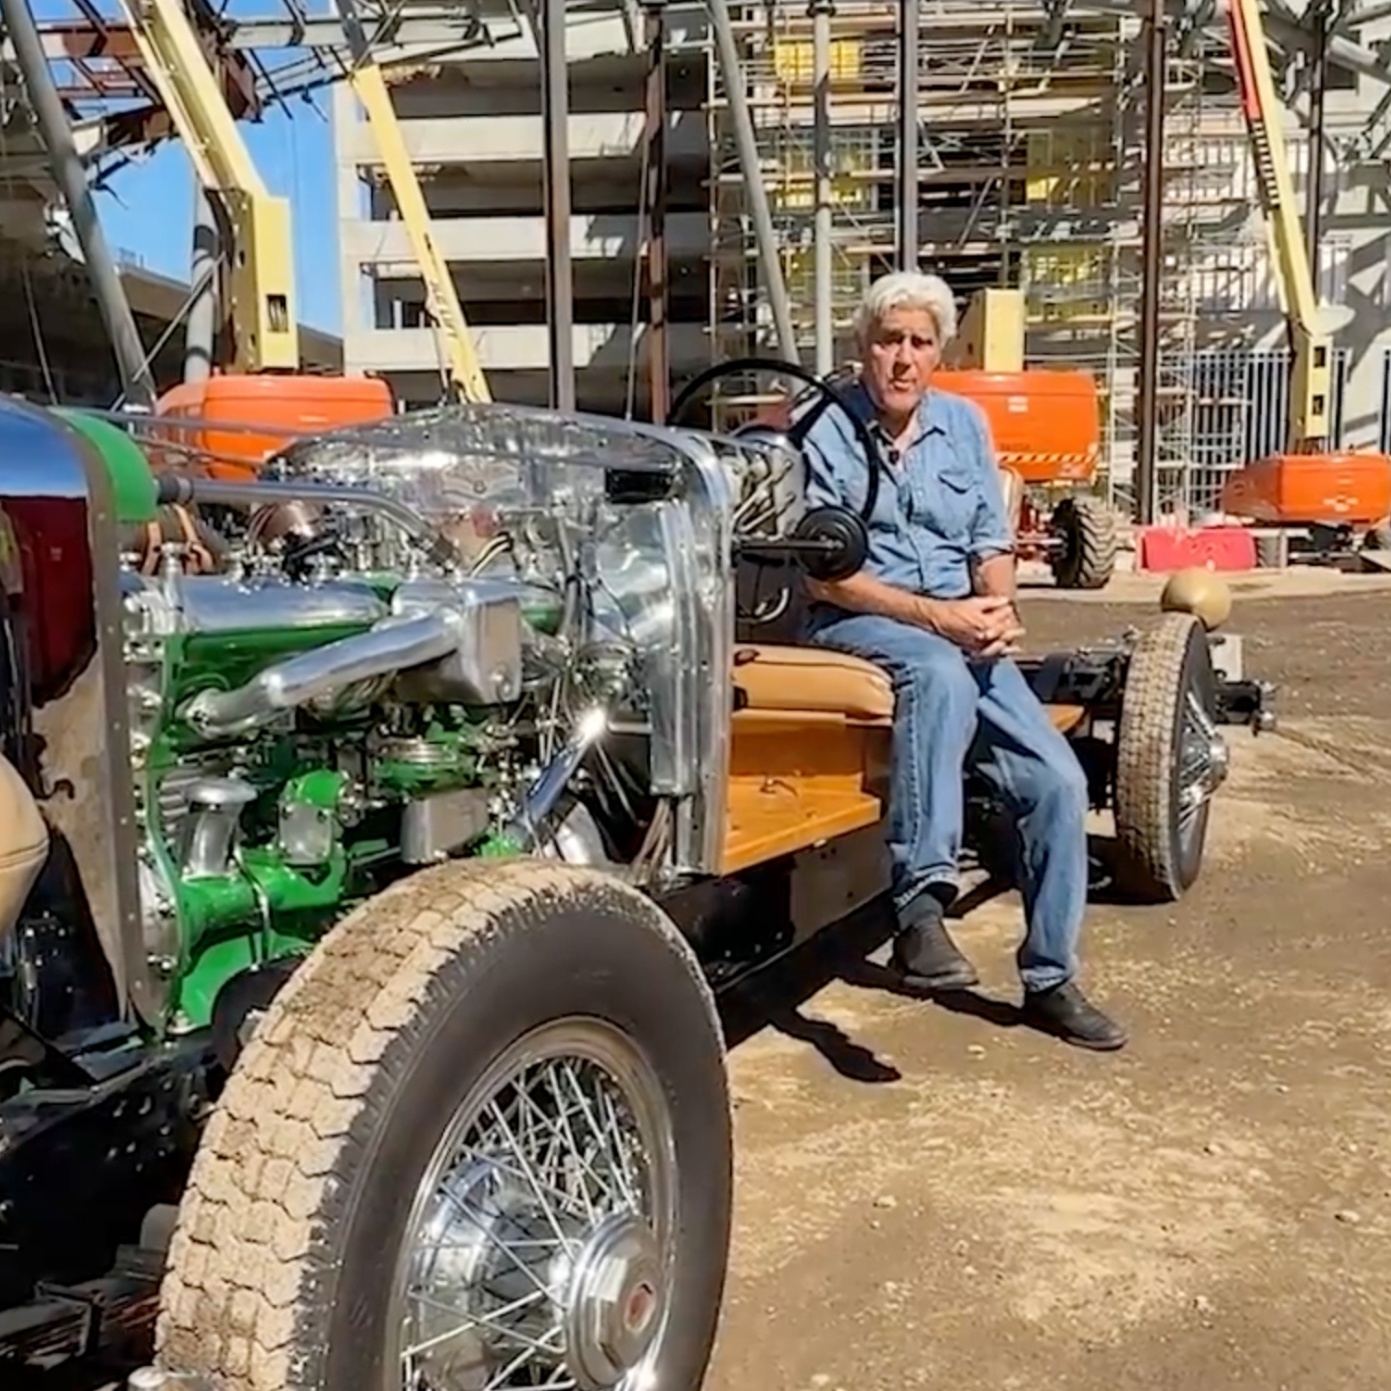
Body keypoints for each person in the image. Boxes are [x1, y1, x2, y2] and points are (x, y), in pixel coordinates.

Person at [797, 269, 1127, 1052]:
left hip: (960, 628)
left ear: (938, 353)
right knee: (936, 672)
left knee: (1058, 782)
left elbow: (989, 539)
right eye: (888, 341)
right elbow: (824, 572)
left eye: (918, 342)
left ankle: (1050, 977)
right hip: (861, 620)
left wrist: (996, 609)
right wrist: (936, 617)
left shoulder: (965, 426)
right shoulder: (823, 428)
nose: (903, 358)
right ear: (862, 350)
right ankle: (919, 904)